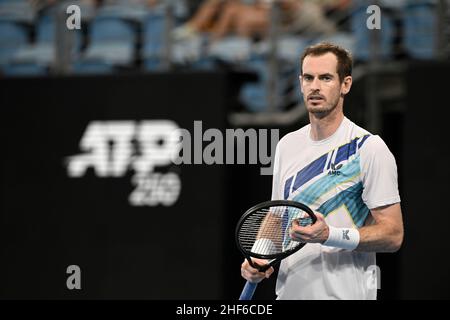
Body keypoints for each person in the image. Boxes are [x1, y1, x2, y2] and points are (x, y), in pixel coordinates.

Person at [240, 42, 404, 300]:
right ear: (300, 83)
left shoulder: (368, 148)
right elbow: (276, 217)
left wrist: (329, 235)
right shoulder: (286, 145)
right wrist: (259, 256)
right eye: (308, 78)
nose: (315, 86)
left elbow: (393, 234)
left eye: (326, 78)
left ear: (345, 85)